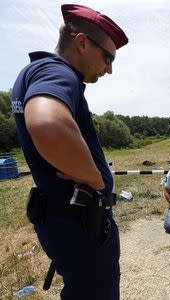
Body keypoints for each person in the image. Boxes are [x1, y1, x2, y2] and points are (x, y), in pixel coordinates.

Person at [11, 4, 128, 299]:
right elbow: (47, 123)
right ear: (82, 42)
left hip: (65, 222)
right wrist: (96, 179)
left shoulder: (35, 72)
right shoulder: (57, 71)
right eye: (108, 57)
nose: (110, 69)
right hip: (80, 227)